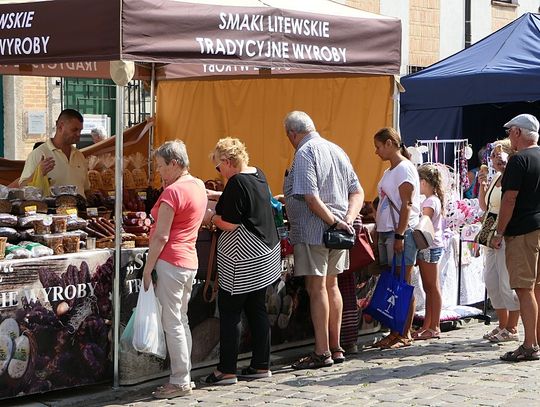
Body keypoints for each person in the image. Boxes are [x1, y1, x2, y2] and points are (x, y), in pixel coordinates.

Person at [282, 111, 364, 369]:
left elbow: (310, 197)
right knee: (332, 286)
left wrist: (336, 222)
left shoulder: (306, 152)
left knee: (317, 288)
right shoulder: (337, 149)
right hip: (336, 233)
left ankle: (322, 350)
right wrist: (347, 219)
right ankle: (336, 347)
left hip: (314, 231)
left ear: (292, 134)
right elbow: (357, 191)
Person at [202, 137, 281, 385]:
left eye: (218, 166)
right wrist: (216, 194)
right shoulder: (257, 173)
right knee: (256, 310)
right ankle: (261, 365)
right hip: (266, 254)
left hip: (244, 258)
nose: (218, 171)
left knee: (230, 312)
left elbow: (230, 223)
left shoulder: (236, 182)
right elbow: (244, 199)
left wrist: (210, 218)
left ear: (227, 162)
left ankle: (226, 370)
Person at [142, 140, 207, 398]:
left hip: (170, 262)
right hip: (188, 260)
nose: (159, 171)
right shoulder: (198, 185)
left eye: (161, 166)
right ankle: (185, 374)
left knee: (173, 323)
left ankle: (179, 379)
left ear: (175, 163)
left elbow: (161, 236)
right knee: (181, 320)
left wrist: (148, 268)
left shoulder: (172, 192)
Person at [492, 114, 540, 362]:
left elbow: (509, 199)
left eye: (511, 130)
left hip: (522, 230)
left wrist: (499, 232)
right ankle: (535, 339)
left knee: (524, 288)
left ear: (519, 133)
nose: (509, 135)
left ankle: (530, 345)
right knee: (536, 288)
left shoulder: (519, 160)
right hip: (538, 227)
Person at [372, 127, 420, 349]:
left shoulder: (404, 170)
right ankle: (395, 331)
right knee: (395, 282)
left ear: (390, 143)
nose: (376, 152)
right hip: (389, 231)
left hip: (401, 232)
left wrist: (400, 235)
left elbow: (407, 205)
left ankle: (404, 332)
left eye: (379, 146)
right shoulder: (390, 171)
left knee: (403, 284)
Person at [477, 139, 520, 344]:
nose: (497, 159)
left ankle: (512, 327)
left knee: (506, 282)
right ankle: (502, 324)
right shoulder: (496, 179)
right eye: (493, 156)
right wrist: (482, 185)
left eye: (500, 155)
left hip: (505, 232)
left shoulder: (514, 178)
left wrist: (501, 232)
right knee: (491, 280)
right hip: (490, 231)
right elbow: (484, 206)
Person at [19, 109, 89, 197]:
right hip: (51, 209)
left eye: (80, 130)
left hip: (80, 209)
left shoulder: (79, 156)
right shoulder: (39, 154)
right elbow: (22, 188)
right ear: (60, 127)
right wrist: (39, 172)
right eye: (74, 130)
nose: (78, 134)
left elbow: (86, 189)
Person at [412, 164, 445, 340]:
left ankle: (433, 326)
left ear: (424, 182)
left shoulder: (430, 201)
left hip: (429, 246)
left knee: (431, 287)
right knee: (431, 287)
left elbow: (425, 222)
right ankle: (430, 325)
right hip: (433, 246)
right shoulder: (433, 199)